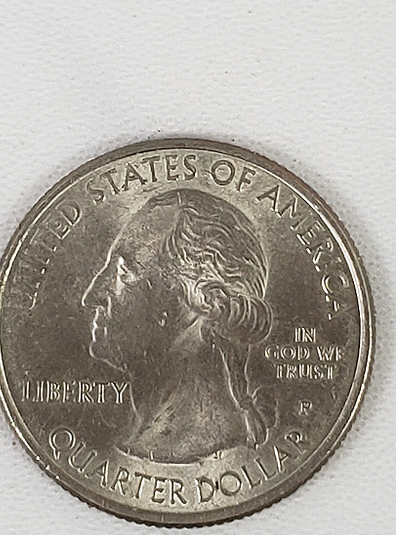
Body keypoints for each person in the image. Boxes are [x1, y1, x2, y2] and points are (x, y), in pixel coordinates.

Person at [81, 189, 274, 463]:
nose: (92, 296)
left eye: (123, 272)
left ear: (206, 300)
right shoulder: (151, 438)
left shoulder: (189, 442)